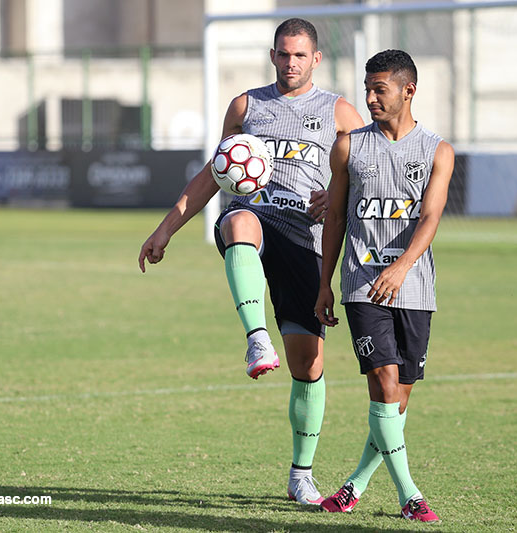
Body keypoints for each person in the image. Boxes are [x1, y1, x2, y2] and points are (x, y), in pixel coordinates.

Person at [138, 18, 364, 506]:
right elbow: (215, 172)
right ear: (272, 55)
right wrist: (165, 230)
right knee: (238, 222)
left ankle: (301, 475)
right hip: (255, 214)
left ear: (316, 59)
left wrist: (336, 196)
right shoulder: (246, 105)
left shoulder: (339, 112)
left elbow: (368, 168)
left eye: (300, 55)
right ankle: (256, 339)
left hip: (305, 239)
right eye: (283, 54)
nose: (290, 63)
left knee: (309, 364)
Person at [314, 49, 454, 522]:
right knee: (384, 383)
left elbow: (431, 217)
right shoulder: (349, 146)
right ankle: (410, 496)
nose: (370, 97)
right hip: (361, 283)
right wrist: (325, 283)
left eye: (380, 89)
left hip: (414, 289)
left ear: (408, 90)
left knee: (398, 399)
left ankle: (353, 486)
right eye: (367, 88)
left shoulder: (437, 151)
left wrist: (402, 268)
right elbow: (334, 216)